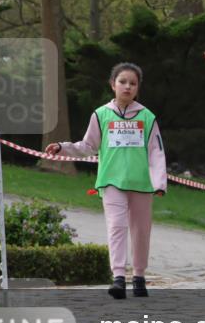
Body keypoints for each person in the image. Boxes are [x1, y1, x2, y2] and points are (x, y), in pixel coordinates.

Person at [46, 62, 166, 300]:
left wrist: (159, 182)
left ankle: (139, 277)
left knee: (141, 231)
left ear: (138, 88)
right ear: (113, 85)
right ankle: (119, 277)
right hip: (111, 181)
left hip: (141, 183)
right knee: (116, 227)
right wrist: (62, 148)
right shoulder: (101, 115)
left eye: (133, 83)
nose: (127, 87)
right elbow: (88, 146)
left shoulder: (147, 116)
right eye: (122, 82)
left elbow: (156, 151)